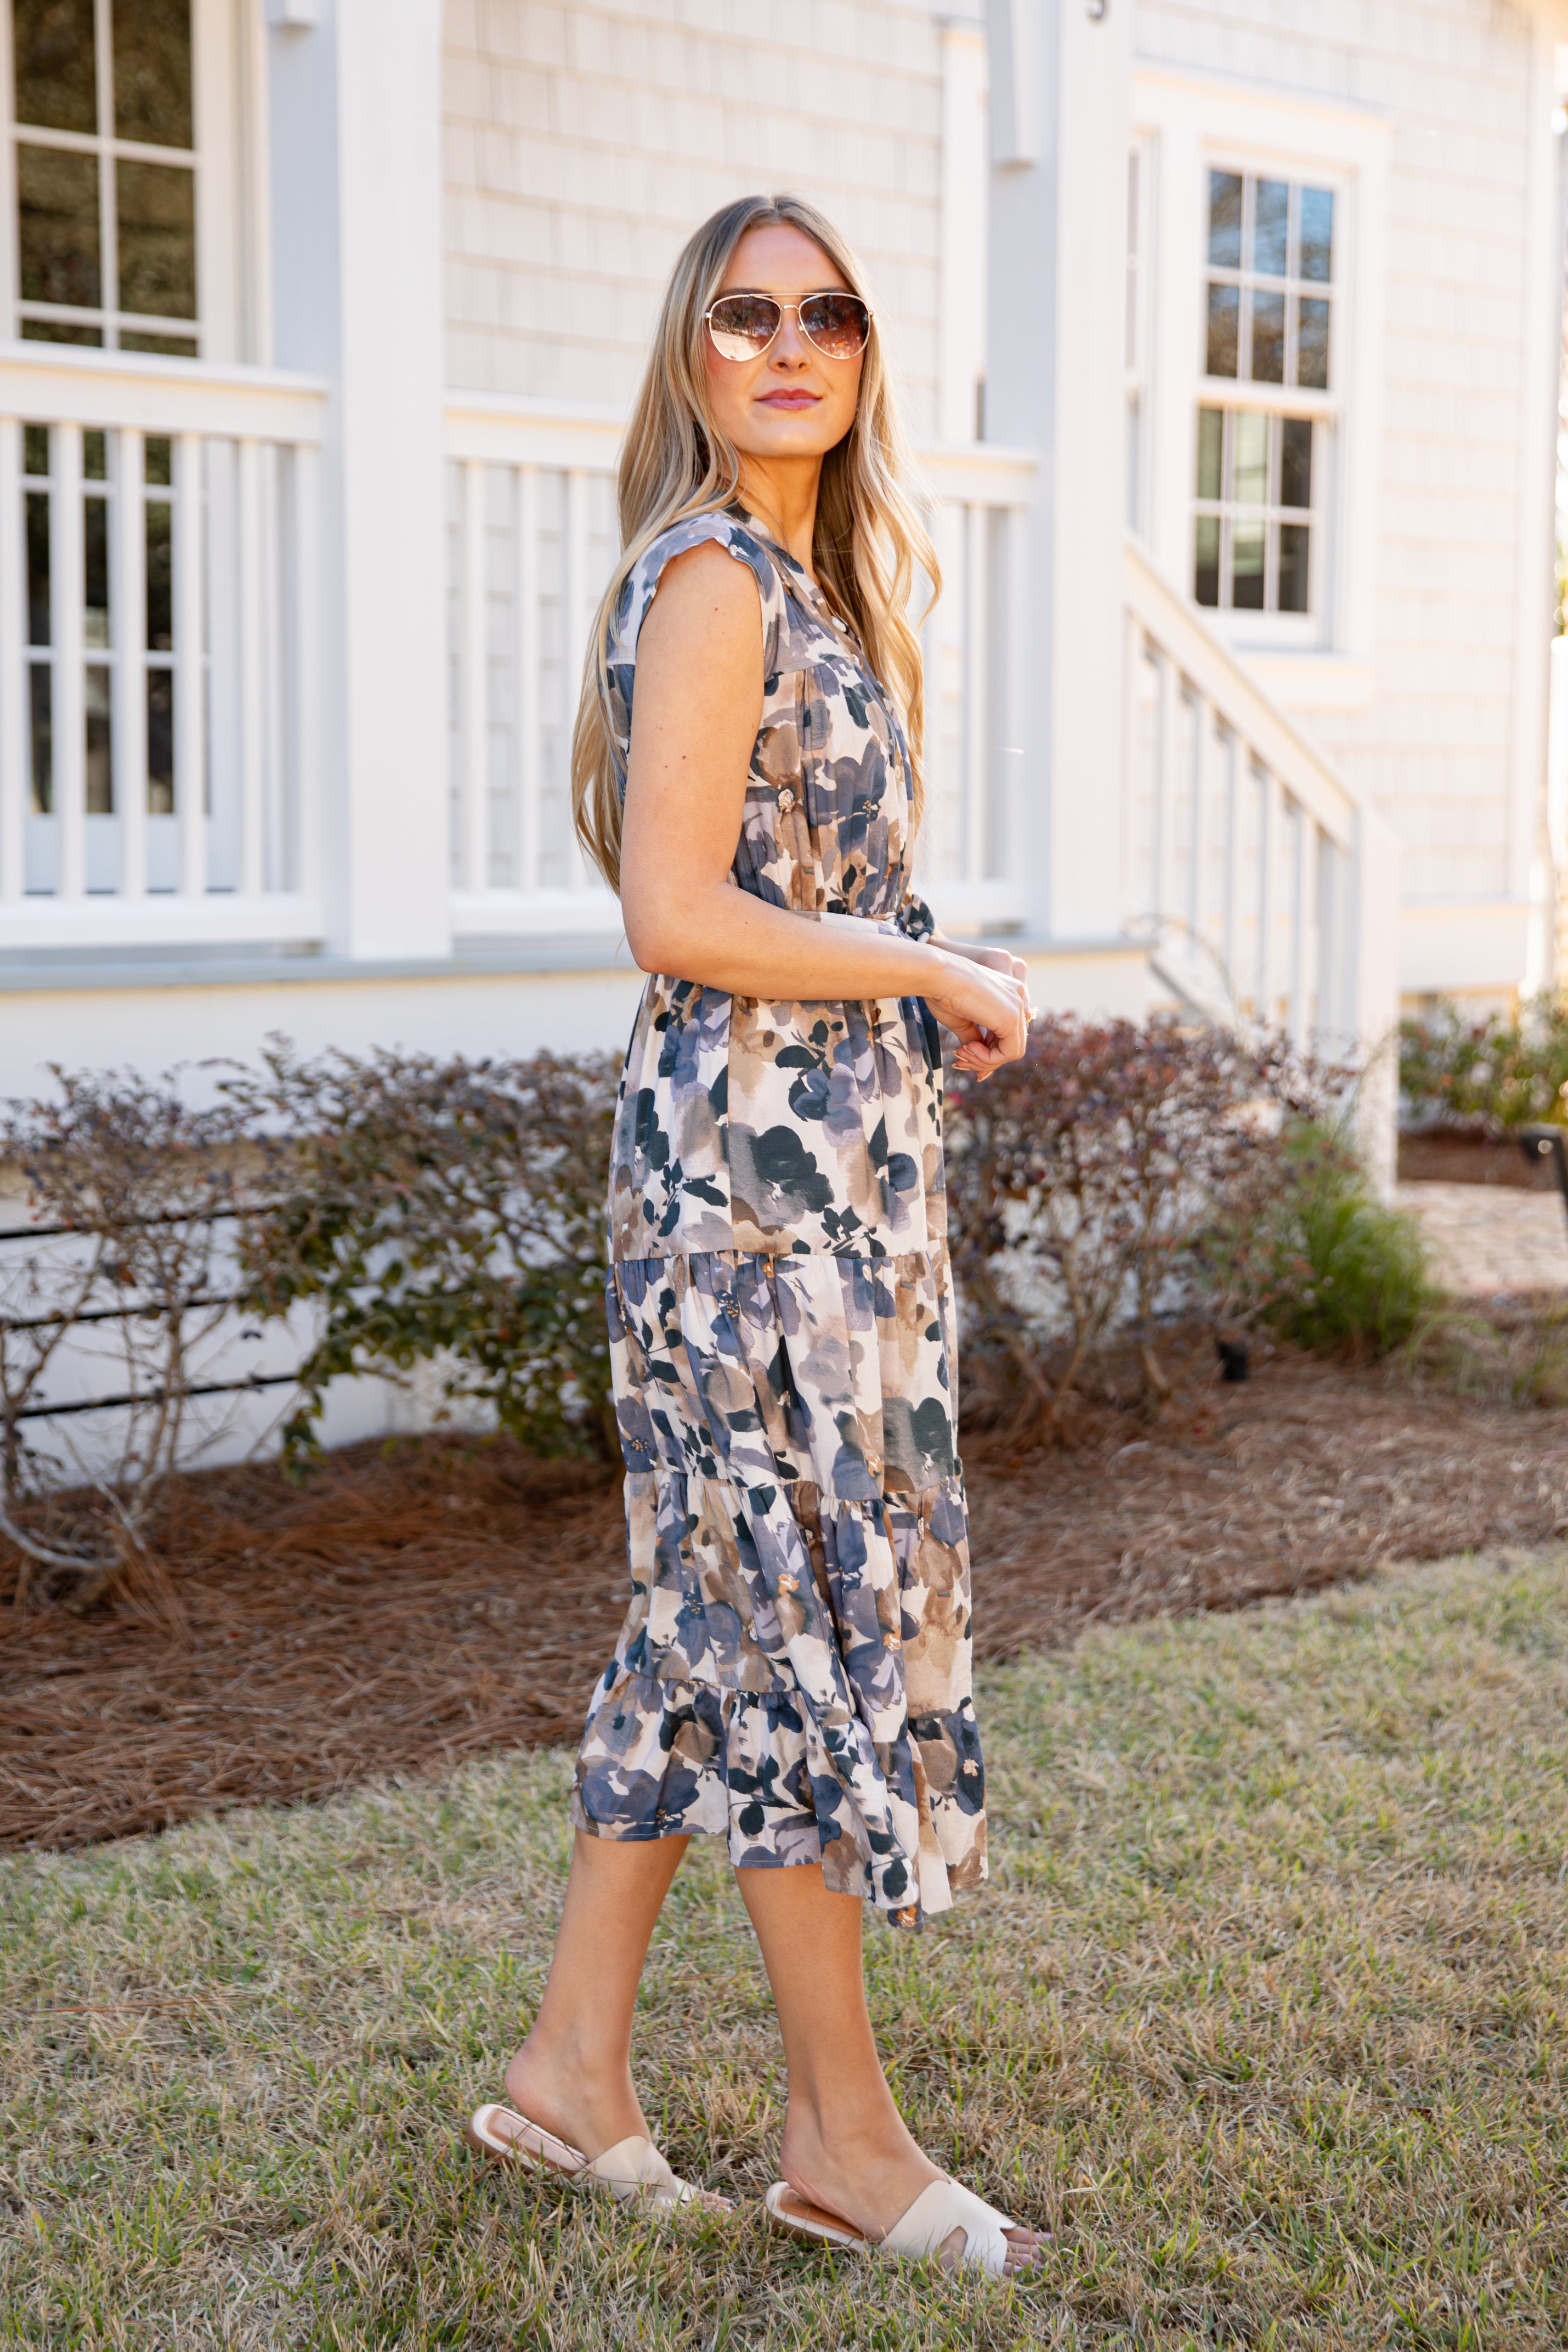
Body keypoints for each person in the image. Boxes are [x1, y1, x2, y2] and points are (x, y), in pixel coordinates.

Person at [466, 193, 1040, 2278]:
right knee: (788, 1612)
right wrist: (922, 958)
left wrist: (895, 1006)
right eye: (744, 313)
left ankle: (571, 2074)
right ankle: (842, 2140)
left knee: (707, 1613)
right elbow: (676, 914)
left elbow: (758, 913)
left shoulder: (808, 580)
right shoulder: (713, 575)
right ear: (692, 351)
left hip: (809, 1167)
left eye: (829, 312)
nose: (789, 343)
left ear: (864, 352)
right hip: (747, 1200)